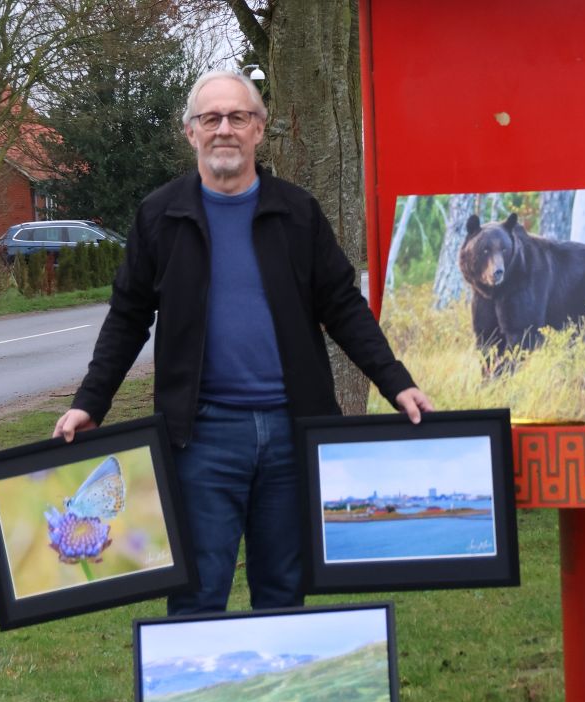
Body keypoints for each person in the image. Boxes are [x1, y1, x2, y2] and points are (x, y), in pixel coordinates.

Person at [53, 70, 433, 615]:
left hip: (291, 430)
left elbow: (344, 307)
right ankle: (194, 701)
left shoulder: (297, 213)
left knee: (284, 589)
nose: (224, 129)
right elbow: (127, 318)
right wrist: (90, 403)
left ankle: (281, 699)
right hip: (200, 438)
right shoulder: (161, 217)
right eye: (211, 119)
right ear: (191, 133)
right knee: (196, 592)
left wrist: (396, 383)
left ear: (259, 130)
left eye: (238, 117)